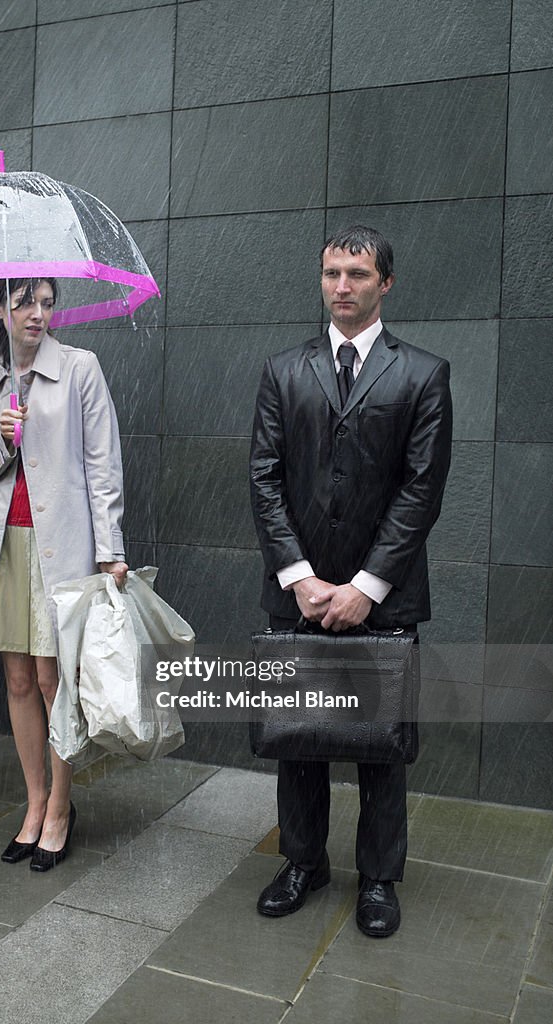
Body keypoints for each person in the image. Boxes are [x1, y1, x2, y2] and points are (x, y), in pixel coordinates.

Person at [249, 225, 452, 937]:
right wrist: (301, 578)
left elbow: (420, 491)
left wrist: (365, 585)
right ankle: (302, 862)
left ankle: (377, 878)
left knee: (381, 745)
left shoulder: (422, 374)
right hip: (296, 590)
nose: (342, 286)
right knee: (297, 737)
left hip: (384, 593)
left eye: (357, 274)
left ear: (384, 283)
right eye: (332, 272)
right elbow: (264, 479)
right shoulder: (282, 371)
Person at [0, 277, 127, 871]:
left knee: (55, 680)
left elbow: (104, 464)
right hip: (6, 545)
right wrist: (1, 441)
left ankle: (61, 805)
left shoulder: (80, 369)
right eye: (25, 301)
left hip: (65, 545)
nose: (38, 314)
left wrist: (112, 550)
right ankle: (33, 803)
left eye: (48, 303)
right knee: (19, 680)